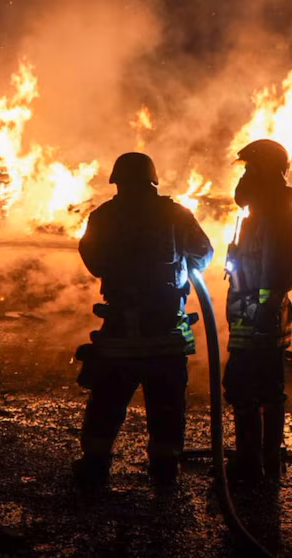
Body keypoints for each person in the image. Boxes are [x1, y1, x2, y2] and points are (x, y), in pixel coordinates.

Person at [73, 152, 214, 489]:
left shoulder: (103, 216)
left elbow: (93, 261)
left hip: (119, 332)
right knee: (167, 405)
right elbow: (204, 253)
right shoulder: (175, 214)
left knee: (107, 401)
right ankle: (165, 468)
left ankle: (95, 464)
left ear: (118, 182)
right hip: (165, 332)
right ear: (153, 181)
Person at [223, 139, 292, 482]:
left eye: (249, 168)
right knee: (263, 384)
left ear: (264, 172)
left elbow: (282, 268)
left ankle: (252, 462)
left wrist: (264, 306)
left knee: (244, 385)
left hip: (259, 316)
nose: (244, 176)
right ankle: (266, 458)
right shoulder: (260, 216)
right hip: (257, 313)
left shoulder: (276, 219)